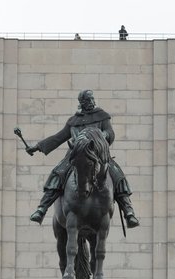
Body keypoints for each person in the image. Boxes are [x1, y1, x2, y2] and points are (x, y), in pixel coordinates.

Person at [26, 89, 139, 228]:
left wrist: (101, 136)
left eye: (92, 99)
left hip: (98, 156)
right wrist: (37, 147)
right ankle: (42, 209)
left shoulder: (102, 116)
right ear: (82, 102)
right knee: (57, 173)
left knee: (117, 174)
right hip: (75, 156)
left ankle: (129, 211)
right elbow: (58, 138)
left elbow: (110, 133)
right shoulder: (74, 121)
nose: (91, 102)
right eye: (88, 100)